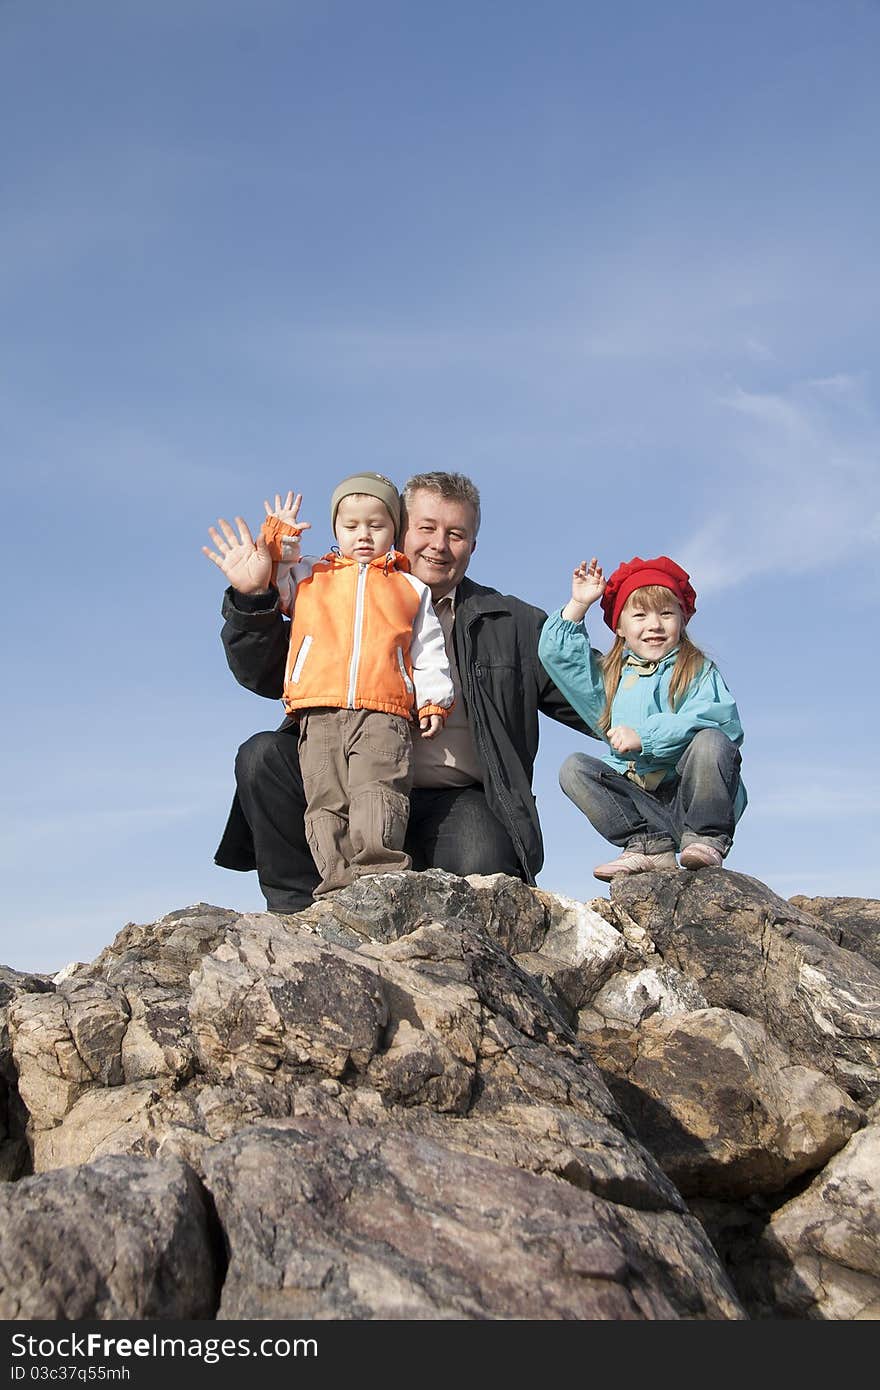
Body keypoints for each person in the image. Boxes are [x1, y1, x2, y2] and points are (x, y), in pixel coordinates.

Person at [206, 471, 590, 911]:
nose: (439, 545)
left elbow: (593, 693)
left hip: (452, 799)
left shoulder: (513, 624)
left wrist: (676, 696)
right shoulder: (330, 591)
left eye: (456, 534)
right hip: (344, 776)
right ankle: (298, 916)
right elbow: (263, 674)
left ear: (472, 546)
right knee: (262, 758)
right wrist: (255, 598)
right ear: (398, 529)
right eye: (426, 529)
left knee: (485, 872)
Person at [204, 473, 454, 896]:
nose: (363, 536)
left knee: (378, 788)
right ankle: (337, 882)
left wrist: (433, 699)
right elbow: (274, 581)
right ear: (336, 529)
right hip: (317, 711)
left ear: (394, 530)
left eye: (376, 526)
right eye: (351, 526)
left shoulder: (409, 586)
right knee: (326, 796)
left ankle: (381, 876)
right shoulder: (310, 576)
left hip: (383, 710)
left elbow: (428, 648)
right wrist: (277, 540)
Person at [537, 554, 746, 881]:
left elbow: (720, 721)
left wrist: (645, 738)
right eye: (639, 615)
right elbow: (559, 657)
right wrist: (578, 604)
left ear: (683, 619)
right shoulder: (610, 680)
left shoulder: (696, 670)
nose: (654, 625)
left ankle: (706, 839)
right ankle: (648, 845)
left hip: (688, 798)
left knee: (711, 741)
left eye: (666, 613)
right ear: (619, 626)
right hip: (640, 801)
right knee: (573, 768)